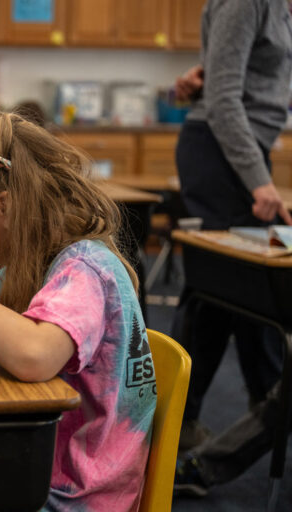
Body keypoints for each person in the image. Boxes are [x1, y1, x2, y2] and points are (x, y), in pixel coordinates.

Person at [0, 108, 156, 511]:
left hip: (75, 496)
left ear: (2, 206)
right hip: (43, 467)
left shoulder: (84, 269)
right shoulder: (39, 260)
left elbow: (35, 355)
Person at [170, 0, 292, 452]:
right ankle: (180, 425)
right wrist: (258, 181)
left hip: (240, 152)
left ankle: (263, 415)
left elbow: (229, 76)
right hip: (221, 154)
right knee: (220, 291)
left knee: (236, 298)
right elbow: (222, 99)